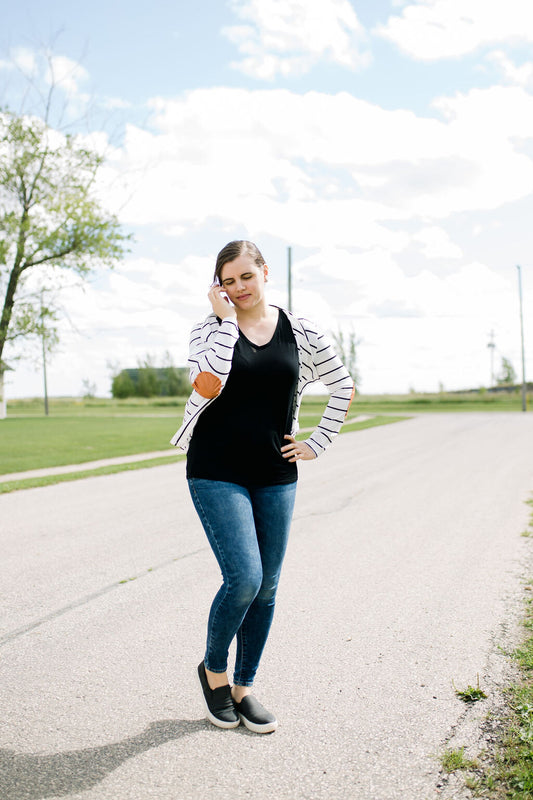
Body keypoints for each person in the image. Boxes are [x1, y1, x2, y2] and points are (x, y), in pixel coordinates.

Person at [171, 240, 354, 734]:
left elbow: (344, 384)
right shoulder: (207, 330)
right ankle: (214, 672)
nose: (238, 289)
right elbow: (206, 385)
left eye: (245, 278)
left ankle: (244, 687)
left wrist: (318, 441)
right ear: (218, 287)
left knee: (268, 587)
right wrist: (227, 322)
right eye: (227, 282)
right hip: (215, 468)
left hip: (275, 473)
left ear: (264, 272)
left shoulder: (302, 330)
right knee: (245, 578)